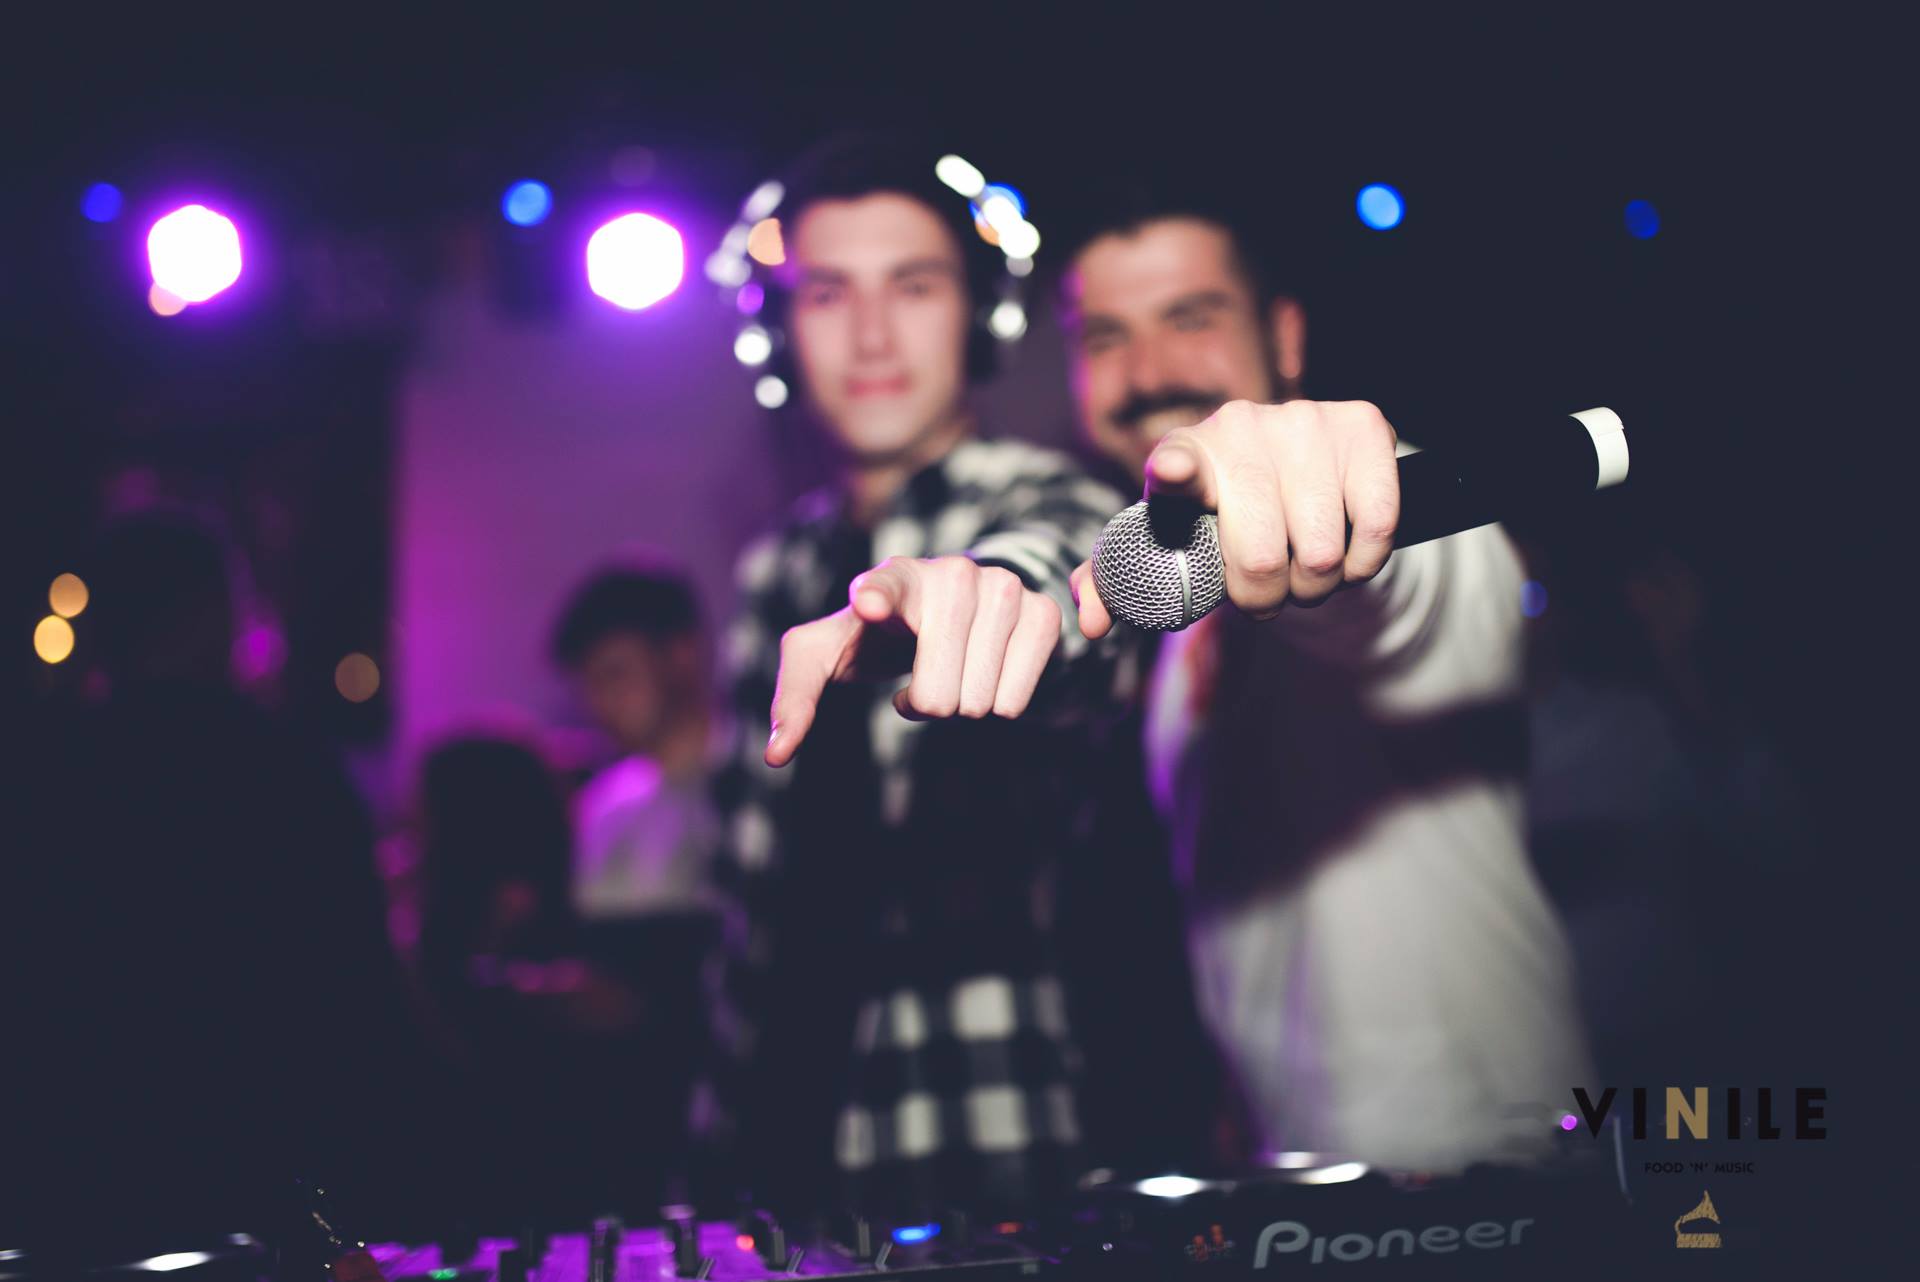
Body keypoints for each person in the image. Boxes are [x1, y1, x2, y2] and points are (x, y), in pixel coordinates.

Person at [710, 133, 1213, 1221]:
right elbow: (752, 926)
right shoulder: (769, 573)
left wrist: (1001, 603)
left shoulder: (1054, 500)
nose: (872, 335)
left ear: (979, 314)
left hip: (1008, 1163)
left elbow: (1063, 580)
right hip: (781, 1173)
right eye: (828, 294)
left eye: (915, 286)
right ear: (782, 330)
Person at [1047, 189, 1594, 1173]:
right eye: (1104, 337)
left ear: (1286, 336)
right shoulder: (1176, 606)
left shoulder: (1389, 503)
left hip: (1487, 1167)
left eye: (1191, 317)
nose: (1147, 372)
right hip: (1301, 1179)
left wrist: (1350, 511)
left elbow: (1397, 591)